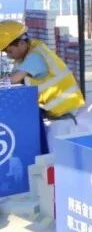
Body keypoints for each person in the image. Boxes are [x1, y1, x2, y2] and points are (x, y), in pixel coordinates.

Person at [0, 21, 85, 153]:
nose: (10, 57)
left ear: (21, 43)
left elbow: (14, 79)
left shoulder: (35, 56)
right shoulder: (28, 52)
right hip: (54, 109)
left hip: (65, 111)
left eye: (10, 51)